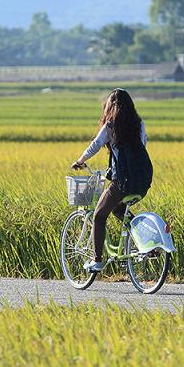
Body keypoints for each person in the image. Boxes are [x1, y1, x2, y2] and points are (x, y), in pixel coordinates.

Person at [71, 88, 153, 272]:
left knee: (99, 216)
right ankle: (145, 241)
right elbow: (142, 146)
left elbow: (95, 145)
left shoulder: (111, 125)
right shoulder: (139, 123)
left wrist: (80, 161)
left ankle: (97, 260)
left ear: (110, 106)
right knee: (119, 208)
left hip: (123, 181)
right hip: (143, 179)